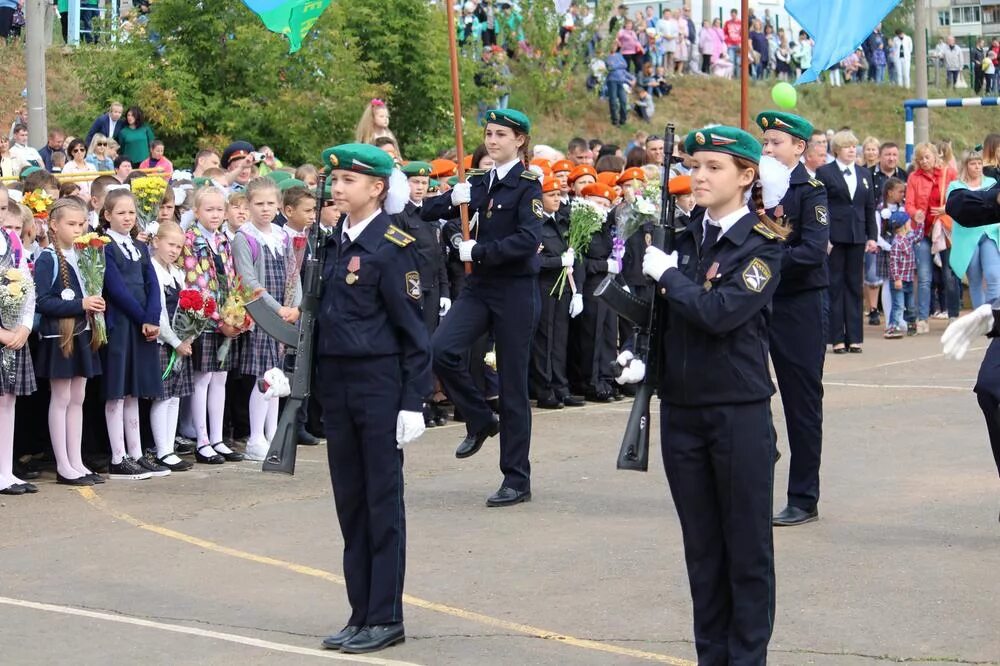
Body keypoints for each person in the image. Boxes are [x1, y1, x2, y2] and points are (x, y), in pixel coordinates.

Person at [618, 125, 786, 663]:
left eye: (715, 167)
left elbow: (720, 314)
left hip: (736, 411)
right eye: (696, 165)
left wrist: (670, 278)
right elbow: (670, 316)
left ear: (746, 176)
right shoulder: (684, 236)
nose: (700, 175)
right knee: (702, 550)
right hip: (682, 410)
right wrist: (645, 353)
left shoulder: (762, 245)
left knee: (746, 551)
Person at [312, 143, 429, 654]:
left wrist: (412, 400)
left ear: (377, 188)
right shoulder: (332, 243)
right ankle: (360, 612)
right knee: (351, 504)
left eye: (349, 182)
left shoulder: (393, 245)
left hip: (379, 385)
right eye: (336, 180)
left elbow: (416, 331)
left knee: (382, 504)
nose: (338, 189)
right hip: (338, 387)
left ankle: (386, 616)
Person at [421, 108, 541, 507]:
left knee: (512, 385)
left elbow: (527, 241)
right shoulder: (477, 182)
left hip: (515, 291)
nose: (492, 140)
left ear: (519, 140)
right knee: (441, 350)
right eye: (489, 133)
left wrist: (481, 250)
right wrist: (448, 199)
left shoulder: (528, 186)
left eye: (501, 134)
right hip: (479, 288)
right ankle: (479, 417)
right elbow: (425, 212)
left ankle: (516, 478)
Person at [757, 111, 830, 526]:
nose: (767, 150)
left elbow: (812, 251)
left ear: (799, 148)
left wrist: (763, 260)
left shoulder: (810, 189)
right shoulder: (756, 187)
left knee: (801, 401)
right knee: (747, 385)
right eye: (764, 143)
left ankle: (803, 496)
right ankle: (765, 447)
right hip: (757, 301)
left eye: (775, 143)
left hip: (799, 304)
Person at [33, 197, 106, 486]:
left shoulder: (86, 255)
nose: (78, 229)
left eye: (82, 223)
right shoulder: (48, 258)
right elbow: (42, 301)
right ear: (54, 225)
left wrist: (95, 303)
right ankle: (63, 464)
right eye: (71, 224)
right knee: (61, 398)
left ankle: (76, 461)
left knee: (79, 398)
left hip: (83, 333)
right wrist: (80, 304)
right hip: (59, 337)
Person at [99, 189, 168, 479]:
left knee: (135, 391)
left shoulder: (139, 247)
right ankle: (118, 456)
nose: (127, 218)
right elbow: (115, 289)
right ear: (107, 216)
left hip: (143, 325)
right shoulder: (104, 247)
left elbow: (152, 283)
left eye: (131, 212)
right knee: (118, 389)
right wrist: (143, 318)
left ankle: (137, 453)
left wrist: (153, 317)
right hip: (121, 323)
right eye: (120, 213)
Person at [233, 177, 300, 461]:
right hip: (260, 313)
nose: (265, 209)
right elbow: (248, 280)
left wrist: (296, 306)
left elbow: (293, 272)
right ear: (248, 205)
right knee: (263, 376)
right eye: (258, 203)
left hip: (284, 312)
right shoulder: (244, 237)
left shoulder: (282, 235)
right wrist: (276, 309)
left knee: (277, 376)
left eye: (270, 203)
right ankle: (255, 438)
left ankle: (272, 433)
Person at [180, 186, 244, 464]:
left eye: (220, 209)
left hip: (226, 321)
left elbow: (230, 278)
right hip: (204, 322)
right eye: (209, 209)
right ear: (196, 211)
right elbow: (198, 284)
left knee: (221, 379)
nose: (216, 214)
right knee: (203, 380)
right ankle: (202, 439)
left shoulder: (223, 240)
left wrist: (235, 314)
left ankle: (218, 438)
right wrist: (219, 320)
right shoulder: (190, 241)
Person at [394, 161, 451, 426]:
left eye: (423, 183)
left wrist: (445, 290)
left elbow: (439, 256)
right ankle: (413, 402)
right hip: (411, 289)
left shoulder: (428, 214)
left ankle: (426, 399)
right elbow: (401, 256)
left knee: (427, 347)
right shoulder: (398, 214)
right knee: (412, 347)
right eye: (415, 182)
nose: (420, 187)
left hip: (432, 289)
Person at [817, 130, 877, 353]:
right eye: (847, 146)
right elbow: (821, 207)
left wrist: (872, 236)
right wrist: (825, 236)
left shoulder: (863, 173)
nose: (852, 150)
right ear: (837, 150)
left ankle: (855, 337)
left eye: (854, 146)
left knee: (854, 286)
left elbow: (869, 207)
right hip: (834, 237)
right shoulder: (825, 172)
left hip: (857, 236)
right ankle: (837, 338)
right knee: (835, 285)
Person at [532, 175, 584, 410]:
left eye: (558, 195)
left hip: (562, 288)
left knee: (560, 339)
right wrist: (558, 261)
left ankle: (561, 387)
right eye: (551, 195)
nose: (556, 199)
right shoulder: (536, 224)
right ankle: (544, 389)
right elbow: (534, 260)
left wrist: (577, 292)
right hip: (543, 287)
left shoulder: (562, 222)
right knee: (545, 339)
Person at [149, 220, 194, 471]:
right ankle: (162, 449)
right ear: (156, 242)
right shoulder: (153, 270)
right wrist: (176, 342)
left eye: (179, 246)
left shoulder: (177, 273)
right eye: (170, 244)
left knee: (175, 396)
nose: (175, 250)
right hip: (163, 343)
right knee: (163, 397)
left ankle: (169, 447)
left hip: (179, 343)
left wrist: (189, 337)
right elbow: (160, 314)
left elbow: (187, 308)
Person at [0, 204, 36, 496]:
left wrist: (24, 326)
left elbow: (28, 286)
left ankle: (5, 471)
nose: (1, 214)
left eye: (2, 207)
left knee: (7, 402)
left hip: (14, 334)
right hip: (2, 333)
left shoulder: (11, 242)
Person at [906, 143, 958, 333]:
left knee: (949, 274)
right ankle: (922, 318)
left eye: (927, 157)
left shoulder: (949, 173)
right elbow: (909, 203)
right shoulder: (914, 177)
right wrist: (915, 213)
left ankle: (953, 315)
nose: (924, 161)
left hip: (944, 228)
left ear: (935, 156)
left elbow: (958, 197)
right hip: (922, 230)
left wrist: (947, 209)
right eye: (920, 158)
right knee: (925, 276)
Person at [948, 150, 1000, 308]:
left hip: (989, 233)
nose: (977, 167)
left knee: (993, 275)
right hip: (967, 236)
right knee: (975, 279)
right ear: (965, 166)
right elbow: (953, 210)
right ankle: (981, 319)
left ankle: (995, 316)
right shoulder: (955, 187)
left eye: (979, 163)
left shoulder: (992, 182)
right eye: (973, 163)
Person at [884, 210, 918, 339]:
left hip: (908, 278)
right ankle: (892, 327)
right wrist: (897, 279)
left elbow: (918, 236)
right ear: (903, 225)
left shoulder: (908, 238)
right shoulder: (897, 243)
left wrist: (920, 224)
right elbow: (893, 263)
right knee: (898, 304)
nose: (910, 224)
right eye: (909, 222)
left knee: (910, 304)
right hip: (899, 280)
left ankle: (911, 324)